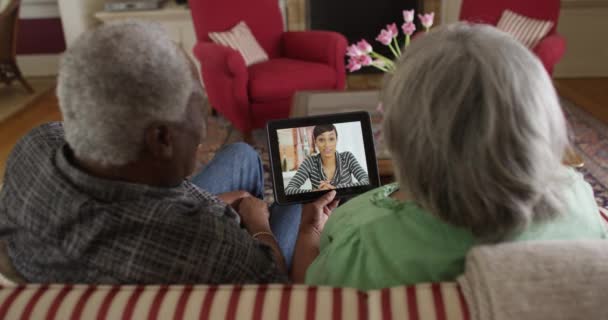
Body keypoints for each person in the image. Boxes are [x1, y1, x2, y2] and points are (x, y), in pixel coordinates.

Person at [289, 23, 607, 290]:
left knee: (284, 213)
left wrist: (309, 233)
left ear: (403, 141)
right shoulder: (579, 197)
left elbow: (310, 297)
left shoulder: (361, 245)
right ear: (544, 120)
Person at [0, 21, 302, 284]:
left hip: (99, 235)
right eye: (200, 110)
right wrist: (259, 226)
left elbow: (139, 205)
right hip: (164, 247)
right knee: (299, 202)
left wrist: (215, 206)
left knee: (242, 155)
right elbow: (271, 281)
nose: (205, 128)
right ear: (161, 139)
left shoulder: (35, 144)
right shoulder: (210, 246)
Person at [285, 124, 369, 194]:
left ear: (337, 140)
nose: (327, 145)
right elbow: (289, 190)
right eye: (321, 140)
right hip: (321, 210)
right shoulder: (309, 162)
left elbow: (366, 180)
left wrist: (334, 189)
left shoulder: (347, 157)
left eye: (331, 139)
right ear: (315, 142)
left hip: (347, 207)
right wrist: (317, 192)